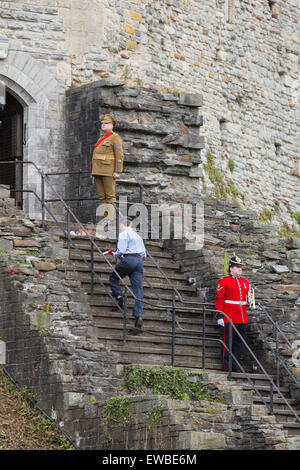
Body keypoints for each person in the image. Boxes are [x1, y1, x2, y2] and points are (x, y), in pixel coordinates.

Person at [109, 217, 146, 333]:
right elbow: (144, 254)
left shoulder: (124, 234)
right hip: (139, 261)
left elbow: (121, 250)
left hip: (129, 260)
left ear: (122, 224)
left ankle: (120, 299)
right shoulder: (138, 236)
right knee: (138, 290)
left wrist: (115, 255)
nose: (119, 228)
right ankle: (138, 316)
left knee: (113, 277)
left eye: (119, 225)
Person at [215, 253, 250, 372]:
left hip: (242, 317)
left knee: (239, 344)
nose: (240, 269)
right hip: (229, 317)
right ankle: (227, 366)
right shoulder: (224, 281)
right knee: (228, 343)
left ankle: (235, 365)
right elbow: (219, 299)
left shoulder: (245, 282)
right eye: (237, 267)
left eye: (240, 267)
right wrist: (220, 315)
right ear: (231, 268)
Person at [91, 114, 124, 220]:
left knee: (110, 196)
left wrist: (117, 171)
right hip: (97, 170)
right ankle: (106, 220)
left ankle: (111, 220)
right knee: (102, 197)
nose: (103, 125)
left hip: (108, 171)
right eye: (102, 123)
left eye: (106, 123)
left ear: (112, 125)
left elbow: (119, 155)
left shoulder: (115, 137)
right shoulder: (102, 137)